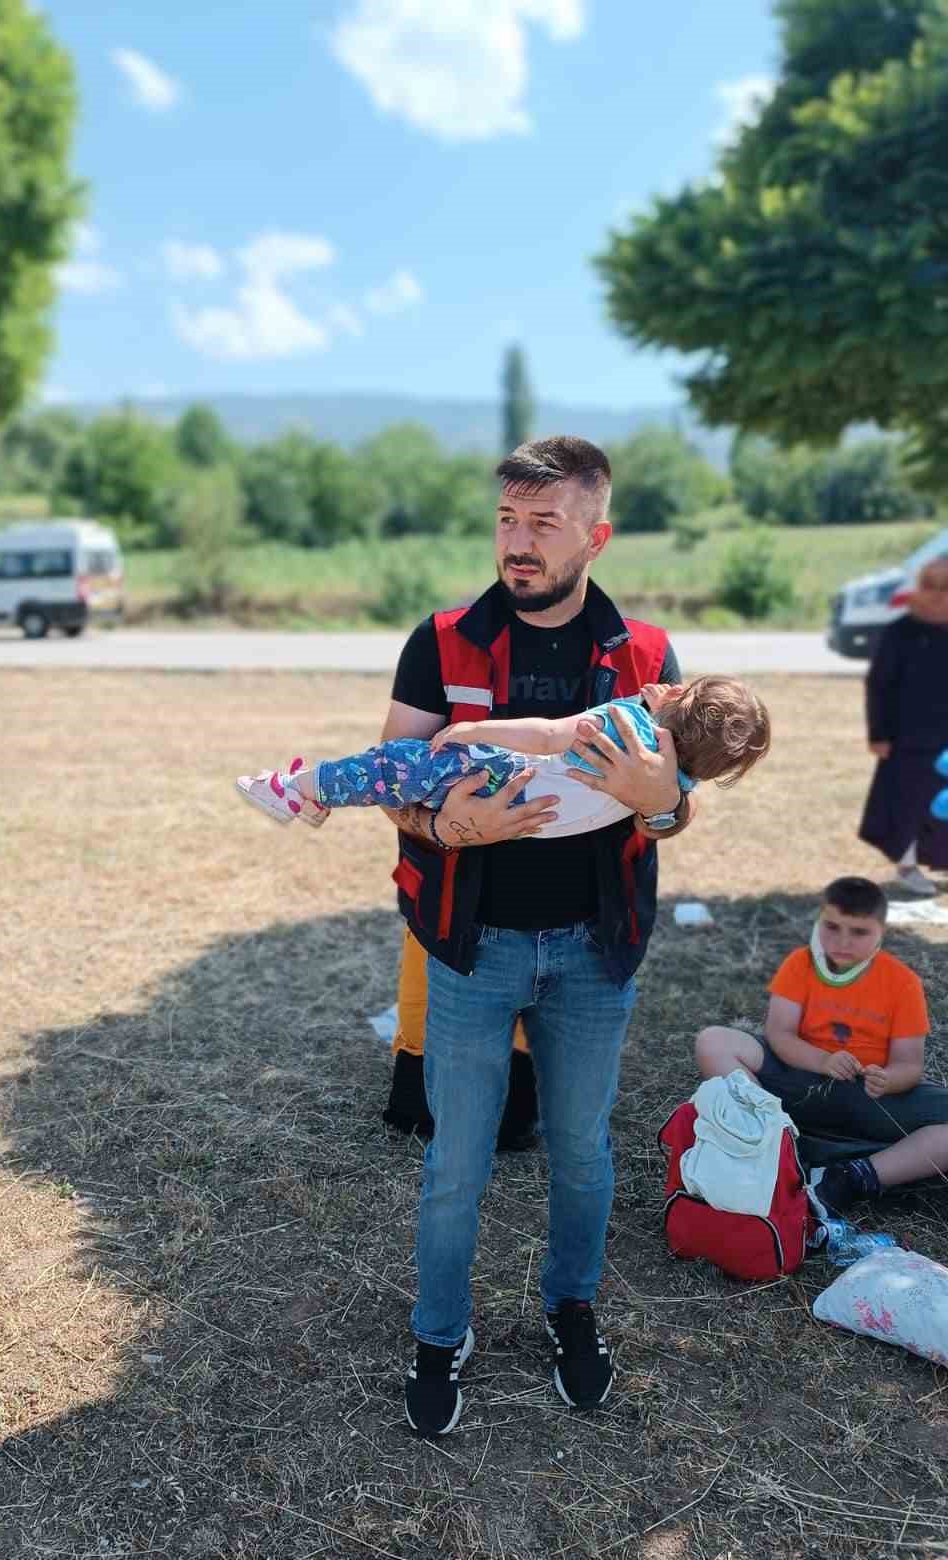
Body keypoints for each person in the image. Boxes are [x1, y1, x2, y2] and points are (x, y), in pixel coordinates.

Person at [376, 435, 697, 1436]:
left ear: (595, 534)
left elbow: (674, 813)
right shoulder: (441, 639)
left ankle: (570, 1310)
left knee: (582, 1152)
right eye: (508, 520)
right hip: (473, 948)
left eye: (544, 523)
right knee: (455, 1164)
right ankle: (440, 1333)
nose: (519, 542)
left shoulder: (647, 656)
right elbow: (391, 778)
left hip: (596, 951)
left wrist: (662, 800)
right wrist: (445, 825)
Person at [694, 876, 945, 1216]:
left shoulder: (903, 983)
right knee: (713, 1041)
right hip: (797, 1081)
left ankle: (855, 1177)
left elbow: (909, 1064)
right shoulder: (800, 965)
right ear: (818, 922)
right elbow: (780, 1034)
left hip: (872, 1097)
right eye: (832, 927)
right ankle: (776, 1146)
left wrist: (888, 1079)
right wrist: (823, 1060)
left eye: (859, 932)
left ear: (881, 932)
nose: (843, 941)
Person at [235, 676, 768, 829]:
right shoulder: (679, 779)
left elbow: (546, 736)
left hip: (506, 781)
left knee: (398, 762)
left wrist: (476, 730)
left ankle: (297, 790)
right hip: (539, 814)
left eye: (681, 690)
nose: (671, 685)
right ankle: (318, 799)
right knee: (401, 773)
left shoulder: (622, 725)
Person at [859, 556, 948, 897]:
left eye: (946, 587)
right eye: (930, 585)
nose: (938, 595)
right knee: (909, 802)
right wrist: (878, 733)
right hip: (908, 737)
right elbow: (879, 685)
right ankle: (907, 867)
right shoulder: (899, 631)